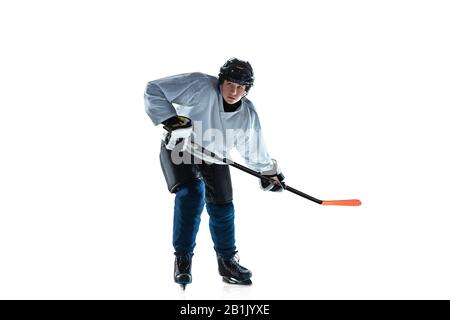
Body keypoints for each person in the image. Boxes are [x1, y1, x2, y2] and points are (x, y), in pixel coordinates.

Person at [144, 58, 285, 287]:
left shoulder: (247, 114)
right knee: (192, 193)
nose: (234, 91)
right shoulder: (199, 85)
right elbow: (154, 89)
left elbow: (254, 148)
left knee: (223, 206)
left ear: (247, 90)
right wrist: (172, 121)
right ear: (221, 81)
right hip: (180, 147)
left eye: (241, 87)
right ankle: (183, 259)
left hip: (214, 156)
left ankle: (227, 262)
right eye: (230, 84)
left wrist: (268, 171)